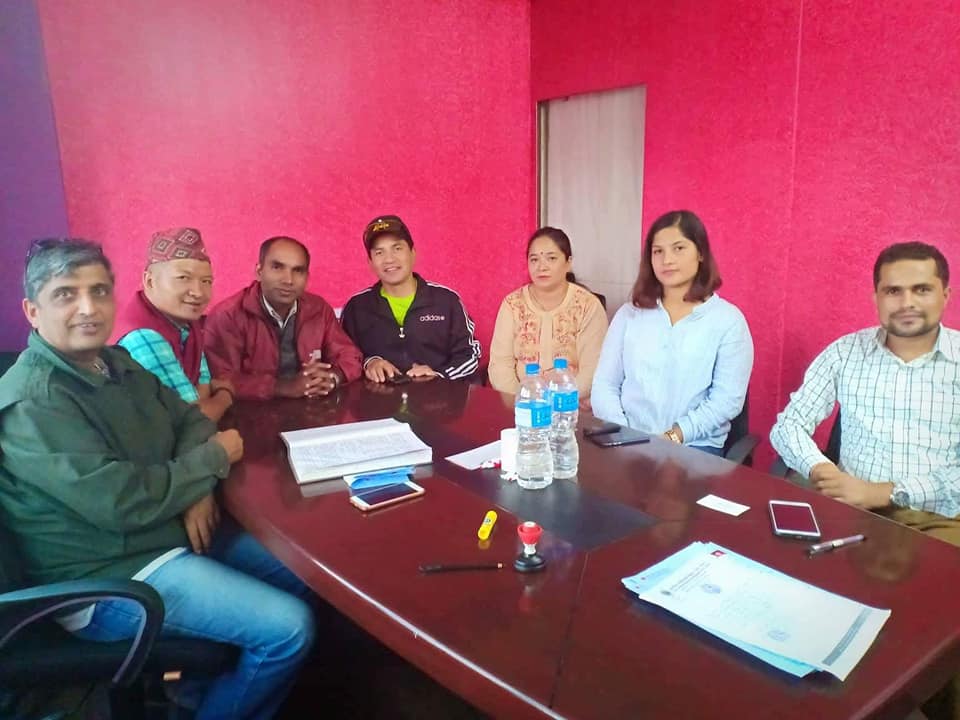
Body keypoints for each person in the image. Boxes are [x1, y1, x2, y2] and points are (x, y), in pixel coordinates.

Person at [0, 239, 315, 719]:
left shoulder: (114, 362)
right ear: (32, 310)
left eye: (100, 291)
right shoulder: (34, 401)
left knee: (305, 572)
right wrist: (208, 465)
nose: (88, 307)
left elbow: (188, 420)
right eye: (66, 294)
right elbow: (119, 501)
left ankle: (193, 696)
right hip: (108, 575)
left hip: (164, 530)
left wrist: (197, 489)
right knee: (289, 628)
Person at [770, 241, 959, 541]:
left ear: (946, 295)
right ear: (876, 298)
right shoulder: (845, 353)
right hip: (849, 507)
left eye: (921, 289)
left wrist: (884, 493)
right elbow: (788, 426)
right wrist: (821, 470)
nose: (907, 302)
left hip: (937, 519)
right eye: (893, 291)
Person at [591, 210, 753, 454]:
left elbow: (726, 401)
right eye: (658, 251)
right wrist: (624, 434)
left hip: (695, 447)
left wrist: (673, 435)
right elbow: (605, 385)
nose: (667, 260)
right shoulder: (629, 314)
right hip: (628, 441)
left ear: (700, 253)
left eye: (678, 248)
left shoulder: (727, 321)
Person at [205, 235, 363, 399]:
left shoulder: (318, 308)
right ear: (259, 271)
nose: (288, 280)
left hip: (311, 408)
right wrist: (284, 387)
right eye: (277, 267)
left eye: (298, 271)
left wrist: (331, 378)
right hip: (250, 414)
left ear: (307, 278)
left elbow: (350, 356)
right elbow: (220, 380)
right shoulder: (227, 315)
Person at [340, 215, 481, 382]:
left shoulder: (446, 301)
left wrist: (439, 375)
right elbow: (343, 357)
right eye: (379, 252)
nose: (389, 259)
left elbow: (470, 354)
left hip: (439, 402)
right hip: (378, 405)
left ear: (413, 253)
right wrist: (370, 362)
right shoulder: (356, 307)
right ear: (370, 262)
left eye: (397, 248)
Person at [114, 227, 234, 421]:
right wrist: (225, 395)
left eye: (206, 281)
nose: (198, 292)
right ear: (150, 281)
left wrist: (209, 399)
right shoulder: (143, 335)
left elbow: (201, 391)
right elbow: (193, 418)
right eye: (183, 278)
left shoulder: (187, 324)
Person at [488, 227, 608, 396]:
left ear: (568, 262)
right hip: (522, 406)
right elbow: (500, 365)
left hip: (571, 406)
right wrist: (523, 400)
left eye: (551, 258)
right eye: (534, 260)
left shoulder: (587, 306)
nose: (541, 267)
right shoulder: (512, 304)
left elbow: (592, 369)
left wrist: (562, 401)